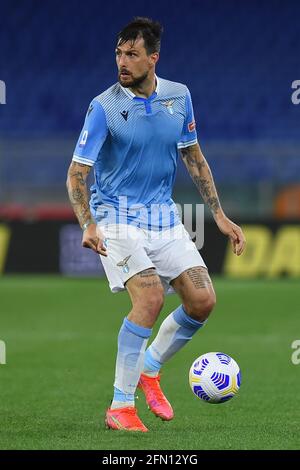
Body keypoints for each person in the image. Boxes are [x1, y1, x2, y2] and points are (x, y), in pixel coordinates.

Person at [66, 17, 246, 433]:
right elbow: (77, 173)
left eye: (131, 54)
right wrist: (88, 223)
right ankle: (120, 406)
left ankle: (150, 368)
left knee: (202, 301)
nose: (122, 62)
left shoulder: (179, 97)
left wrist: (218, 215)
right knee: (149, 299)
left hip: (162, 216)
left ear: (153, 58)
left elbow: (194, 157)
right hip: (115, 215)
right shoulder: (104, 106)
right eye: (118, 53)